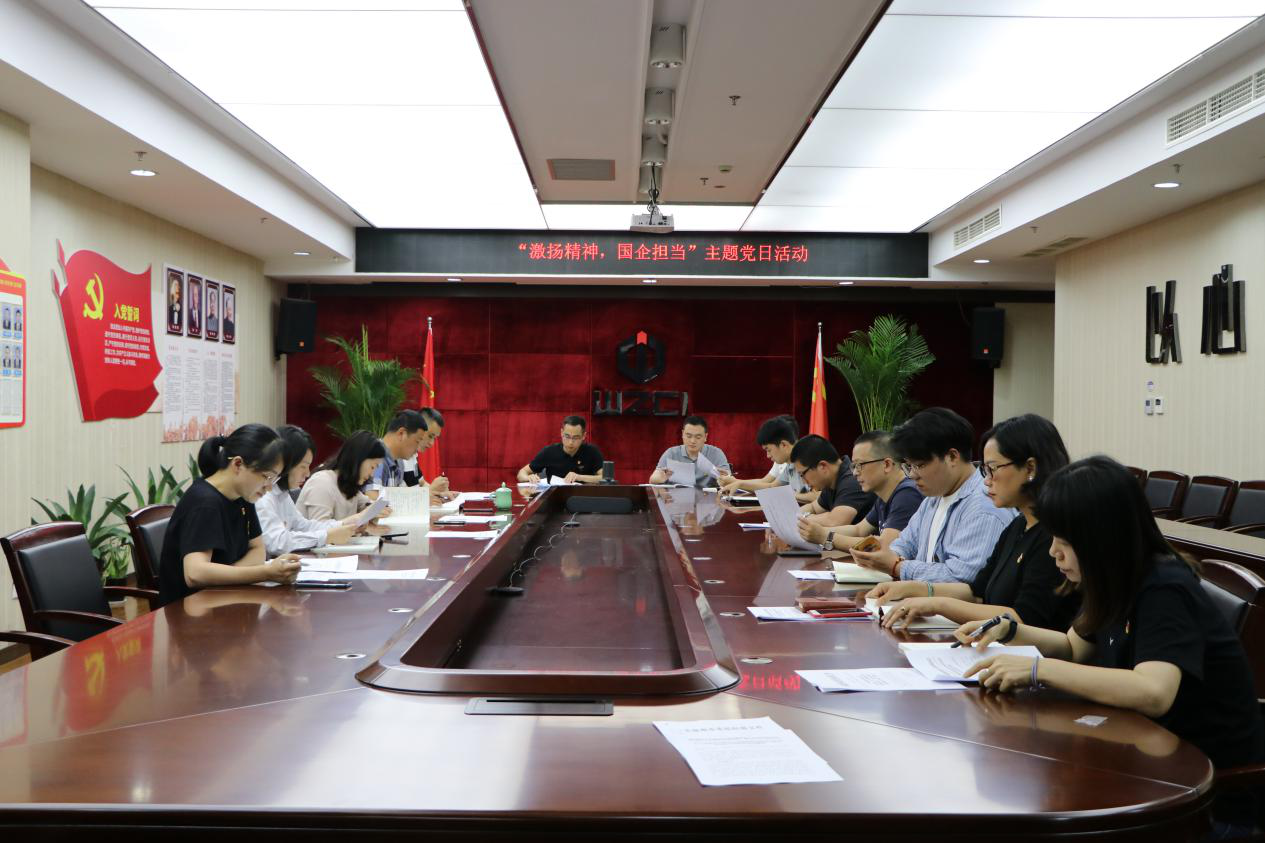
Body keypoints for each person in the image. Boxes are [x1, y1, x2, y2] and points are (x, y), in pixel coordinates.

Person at [959, 456, 1264, 832]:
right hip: (1145, 761)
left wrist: (1039, 669)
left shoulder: (1163, 586)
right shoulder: (1111, 578)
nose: (1053, 552)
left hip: (1202, 795)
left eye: (1064, 541)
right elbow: (1074, 647)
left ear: (1101, 539)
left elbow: (1154, 691)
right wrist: (1009, 631)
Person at [869, 414, 1079, 632]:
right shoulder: (1017, 526)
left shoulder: (1052, 535)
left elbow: (1025, 617)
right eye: (985, 470)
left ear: (1030, 469)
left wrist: (936, 604)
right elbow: (976, 591)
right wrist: (915, 589)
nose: (986, 481)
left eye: (993, 469)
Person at [850, 407, 1013, 583]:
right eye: (909, 466)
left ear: (952, 457)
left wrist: (897, 566)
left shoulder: (984, 506)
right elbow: (905, 544)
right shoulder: (933, 497)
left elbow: (961, 577)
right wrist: (883, 556)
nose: (912, 475)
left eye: (919, 465)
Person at [157, 424, 302, 607]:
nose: (269, 487)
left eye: (275, 479)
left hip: (224, 599)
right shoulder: (205, 503)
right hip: (190, 610)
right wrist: (266, 573)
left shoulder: (242, 496)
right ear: (238, 464)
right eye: (267, 476)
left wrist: (226, 576)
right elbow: (195, 573)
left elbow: (258, 550)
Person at [798, 429, 922, 550]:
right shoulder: (884, 495)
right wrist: (814, 531)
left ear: (887, 465)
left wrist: (825, 536)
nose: (855, 473)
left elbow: (884, 546)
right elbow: (858, 530)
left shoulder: (907, 494)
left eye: (860, 465)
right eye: (854, 466)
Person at [256, 425, 362, 555]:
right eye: (303, 466)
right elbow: (277, 542)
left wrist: (343, 525)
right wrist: (326, 536)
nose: (307, 474)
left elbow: (304, 526)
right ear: (286, 463)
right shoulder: (263, 496)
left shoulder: (282, 493)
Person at [296, 430, 390, 522]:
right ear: (358, 459)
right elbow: (320, 529)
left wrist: (377, 510)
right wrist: (360, 518)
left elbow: (367, 505)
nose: (372, 474)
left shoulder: (348, 486)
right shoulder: (322, 483)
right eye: (372, 467)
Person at [718, 415, 815, 503]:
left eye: (769, 450)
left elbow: (821, 497)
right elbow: (772, 487)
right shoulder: (790, 465)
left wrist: (791, 495)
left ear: (783, 445)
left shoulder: (809, 460)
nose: (768, 456)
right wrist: (740, 484)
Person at [790, 434, 874, 530]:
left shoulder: (852, 480)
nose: (803, 481)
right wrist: (791, 515)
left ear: (822, 466)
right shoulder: (832, 480)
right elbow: (814, 507)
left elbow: (835, 521)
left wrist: (802, 518)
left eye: (802, 474)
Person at [648, 415, 731, 488]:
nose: (692, 441)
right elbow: (653, 479)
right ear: (682, 434)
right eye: (688, 436)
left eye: (698, 437)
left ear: (705, 437)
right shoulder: (671, 453)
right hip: (678, 499)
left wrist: (724, 478)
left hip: (707, 498)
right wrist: (659, 478)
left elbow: (729, 481)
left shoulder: (716, 454)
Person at [518, 415, 604, 484]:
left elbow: (605, 477)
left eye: (576, 437)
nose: (570, 442)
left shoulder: (592, 451)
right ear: (561, 433)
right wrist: (528, 478)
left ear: (584, 436)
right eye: (567, 436)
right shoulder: (549, 452)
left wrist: (579, 477)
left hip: (582, 497)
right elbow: (522, 473)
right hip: (554, 497)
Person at [371, 410, 428, 489]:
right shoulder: (376, 456)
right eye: (417, 441)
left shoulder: (399, 462)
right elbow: (373, 495)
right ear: (401, 433)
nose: (417, 449)